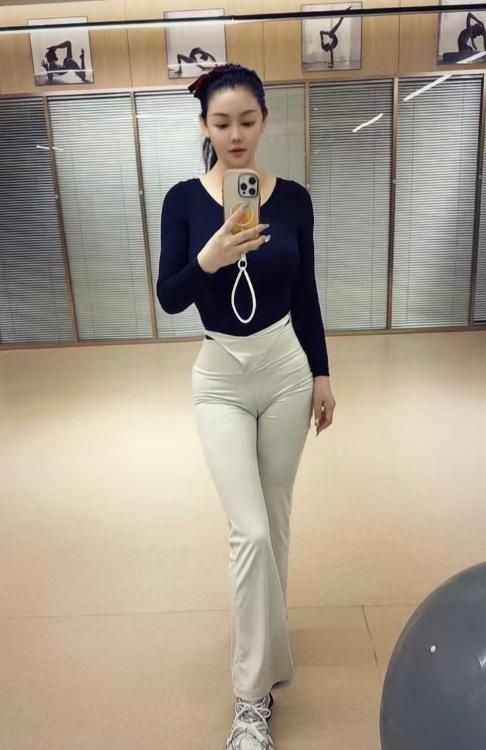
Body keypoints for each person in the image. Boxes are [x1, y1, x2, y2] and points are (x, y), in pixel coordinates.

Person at [156, 62, 336, 750]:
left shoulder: (292, 200)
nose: (236, 134)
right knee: (251, 531)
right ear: (204, 126)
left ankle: (270, 648)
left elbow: (307, 291)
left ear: (264, 121)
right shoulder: (182, 201)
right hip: (221, 379)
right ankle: (250, 700)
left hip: (286, 369)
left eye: (248, 121)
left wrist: (322, 373)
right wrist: (209, 256)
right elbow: (171, 297)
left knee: (278, 520)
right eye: (222, 122)